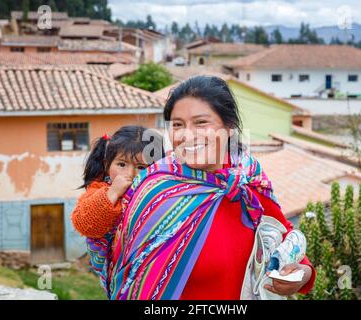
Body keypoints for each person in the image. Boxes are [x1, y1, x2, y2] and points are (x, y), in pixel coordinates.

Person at [86, 76, 316, 300]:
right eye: (177, 125)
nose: (187, 135)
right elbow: (118, 259)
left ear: (229, 128)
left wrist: (301, 276)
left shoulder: (247, 180)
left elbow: (286, 237)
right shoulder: (152, 187)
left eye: (201, 123)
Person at [71, 125, 163, 239]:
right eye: (122, 164)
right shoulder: (98, 189)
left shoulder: (157, 192)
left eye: (141, 167)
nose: (130, 174)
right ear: (107, 166)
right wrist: (113, 192)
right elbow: (83, 224)